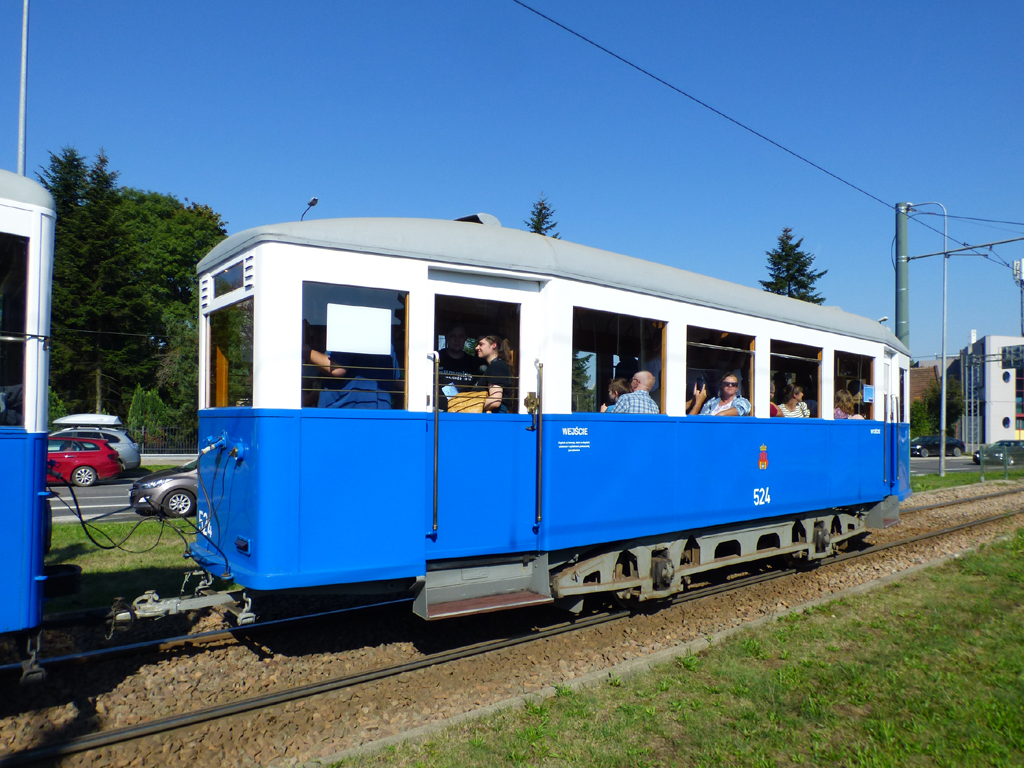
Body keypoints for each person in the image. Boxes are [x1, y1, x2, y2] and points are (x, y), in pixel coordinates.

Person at [437, 323, 478, 409]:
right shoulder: (436, 359)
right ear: (446, 338)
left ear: (465, 338)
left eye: (461, 336)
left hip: (464, 412)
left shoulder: (473, 363)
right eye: (452, 336)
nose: (457, 340)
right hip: (438, 413)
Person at [474, 334, 515, 413]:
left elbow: (495, 401)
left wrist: (468, 405)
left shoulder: (497, 366)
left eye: (481, 344)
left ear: (494, 345)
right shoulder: (496, 365)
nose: (477, 348)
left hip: (493, 418)